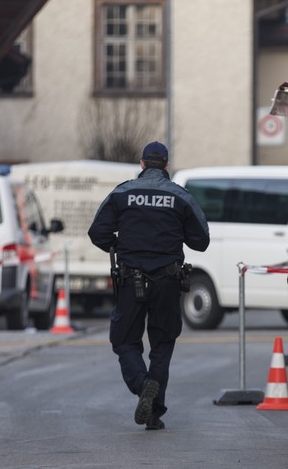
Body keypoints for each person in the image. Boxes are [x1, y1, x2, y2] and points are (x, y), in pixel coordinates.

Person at [88, 141, 210, 431]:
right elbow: (201, 241)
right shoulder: (181, 196)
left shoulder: (122, 192)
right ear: (166, 165)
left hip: (131, 279)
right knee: (162, 344)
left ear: (142, 163)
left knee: (125, 341)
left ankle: (143, 385)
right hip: (168, 279)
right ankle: (154, 414)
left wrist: (120, 244)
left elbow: (97, 232)